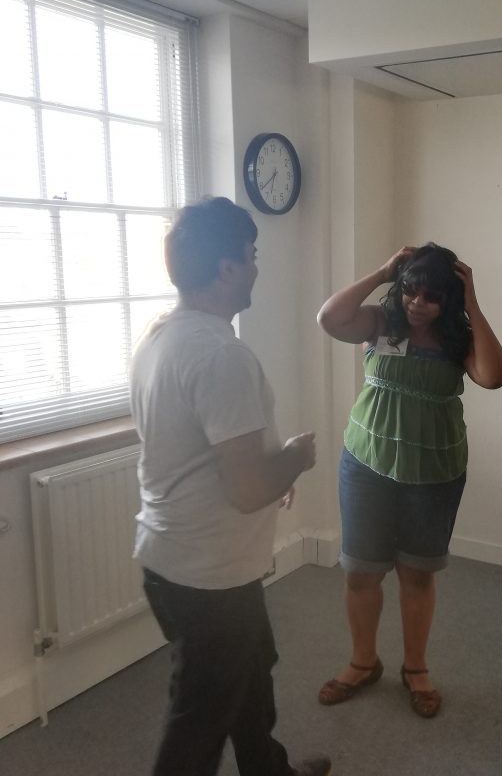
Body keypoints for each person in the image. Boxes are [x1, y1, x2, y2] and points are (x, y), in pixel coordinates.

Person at [129, 197, 330, 776]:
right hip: (209, 573)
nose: (257, 267)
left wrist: (271, 471)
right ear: (225, 269)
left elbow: (210, 456)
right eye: (252, 256)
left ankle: (269, 769)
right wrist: (292, 460)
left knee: (250, 670)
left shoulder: (159, 337)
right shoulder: (222, 356)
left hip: (178, 557)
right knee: (198, 721)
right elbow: (245, 489)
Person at [315, 243, 502, 718]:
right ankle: (363, 662)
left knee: (416, 574)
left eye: (430, 296)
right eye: (409, 290)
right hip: (366, 463)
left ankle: (416, 668)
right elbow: (329, 318)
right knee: (362, 571)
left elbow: (494, 375)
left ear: (450, 299)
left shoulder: (459, 336)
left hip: (433, 471)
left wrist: (473, 306)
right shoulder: (382, 322)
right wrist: (382, 272)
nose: (416, 302)